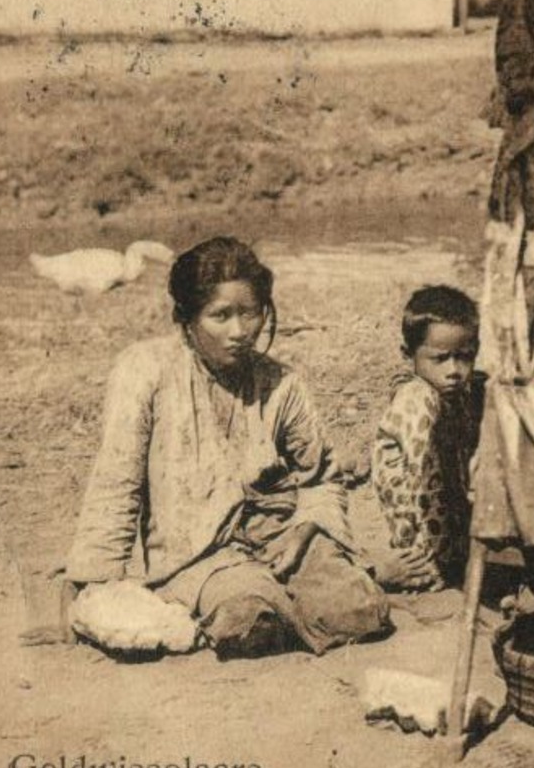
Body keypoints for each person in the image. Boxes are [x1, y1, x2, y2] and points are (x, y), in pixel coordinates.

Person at [64, 237, 391, 659]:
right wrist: (97, 583)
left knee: (361, 610)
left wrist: (304, 530)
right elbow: (116, 479)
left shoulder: (281, 383)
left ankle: (291, 596)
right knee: (249, 621)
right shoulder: (144, 370)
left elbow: (321, 477)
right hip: (197, 553)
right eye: (220, 316)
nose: (239, 332)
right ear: (185, 318)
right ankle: (262, 601)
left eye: (250, 313)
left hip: (278, 533)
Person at [370, 286, 483, 593]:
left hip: (447, 525)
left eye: (464, 357)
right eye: (440, 359)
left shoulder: (454, 394)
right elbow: (427, 486)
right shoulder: (417, 400)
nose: (454, 371)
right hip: (422, 539)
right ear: (409, 355)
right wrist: (439, 561)